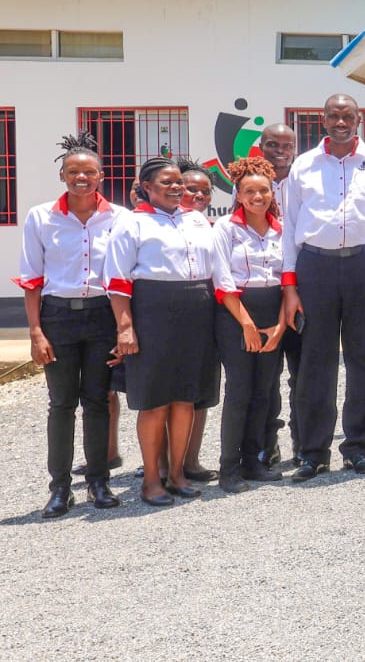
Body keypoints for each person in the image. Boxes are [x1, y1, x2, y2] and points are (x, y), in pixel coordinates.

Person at [279, 94, 365, 481]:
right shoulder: (304, 165)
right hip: (316, 266)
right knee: (317, 360)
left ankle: (357, 446)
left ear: (359, 119)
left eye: (348, 115)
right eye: (334, 115)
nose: (341, 121)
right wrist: (291, 285)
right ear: (323, 119)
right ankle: (313, 451)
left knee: (364, 358)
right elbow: (289, 229)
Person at [16, 132, 126, 516]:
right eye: (74, 172)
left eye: (89, 172)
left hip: (102, 317)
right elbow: (32, 279)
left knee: (97, 401)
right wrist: (35, 332)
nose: (82, 178)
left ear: (101, 174)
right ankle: (60, 488)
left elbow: (123, 279)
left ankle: (98, 481)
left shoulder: (119, 218)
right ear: (63, 175)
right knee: (61, 404)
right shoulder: (41, 217)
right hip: (57, 317)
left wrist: (124, 327)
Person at [105, 157, 218, 506]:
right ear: (147, 188)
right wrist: (125, 329)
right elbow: (117, 282)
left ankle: (178, 473)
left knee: (185, 398)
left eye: (178, 182)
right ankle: (151, 479)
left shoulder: (197, 219)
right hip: (153, 311)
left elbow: (215, 269)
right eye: (165, 183)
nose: (175, 188)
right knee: (155, 401)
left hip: (197, 312)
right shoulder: (132, 223)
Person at [210, 156, 289, 493]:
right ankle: (229, 468)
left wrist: (281, 325)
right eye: (250, 192)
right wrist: (246, 324)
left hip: (274, 311)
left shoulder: (283, 230)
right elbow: (222, 281)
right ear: (238, 196)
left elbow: (289, 280)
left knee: (264, 391)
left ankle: (254, 462)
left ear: (273, 193)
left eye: (264, 191)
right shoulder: (226, 228)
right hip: (236, 313)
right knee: (240, 389)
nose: (258, 197)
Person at [175, 158, 221, 484]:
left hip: (208, 312)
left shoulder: (209, 226)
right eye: (192, 189)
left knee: (201, 392)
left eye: (205, 191)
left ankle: (191, 460)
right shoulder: (160, 223)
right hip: (172, 312)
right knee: (174, 393)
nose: (200, 196)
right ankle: (168, 463)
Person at [258, 122, 298, 468]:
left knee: (303, 370)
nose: (280, 151)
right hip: (265, 291)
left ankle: (303, 440)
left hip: (302, 289)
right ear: (262, 146)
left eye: (286, 145)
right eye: (272, 144)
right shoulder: (251, 184)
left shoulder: (306, 179)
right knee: (267, 375)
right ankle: (267, 443)